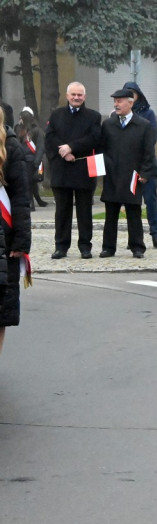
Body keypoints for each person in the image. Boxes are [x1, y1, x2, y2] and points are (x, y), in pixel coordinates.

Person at [44, 81, 102, 259]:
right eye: (73, 94)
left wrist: (71, 147)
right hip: (62, 170)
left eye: (80, 95)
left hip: (83, 169)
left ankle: (85, 246)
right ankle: (61, 246)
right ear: (67, 96)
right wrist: (63, 152)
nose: (76, 98)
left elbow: (94, 138)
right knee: (62, 211)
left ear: (84, 97)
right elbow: (50, 138)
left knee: (84, 211)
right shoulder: (56, 115)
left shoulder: (93, 116)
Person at [98, 88, 157, 258]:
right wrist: (105, 167)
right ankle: (108, 247)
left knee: (134, 213)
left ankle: (137, 246)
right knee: (111, 214)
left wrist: (145, 173)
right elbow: (102, 148)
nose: (116, 104)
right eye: (115, 101)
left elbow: (149, 152)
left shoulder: (143, 125)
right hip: (112, 176)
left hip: (133, 176)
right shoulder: (108, 124)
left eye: (120, 101)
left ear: (130, 103)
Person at [0, 108, 31, 357]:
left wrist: (21, 241)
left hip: (4, 239)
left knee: (0, 312)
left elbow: (21, 198)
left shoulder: (11, 148)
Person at [122, 82, 157, 250]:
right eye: (127, 94)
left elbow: (151, 139)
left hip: (147, 165)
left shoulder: (149, 113)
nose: (131, 96)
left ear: (139, 95)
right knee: (131, 204)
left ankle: (156, 235)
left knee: (150, 201)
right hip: (128, 166)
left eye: (133, 93)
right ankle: (134, 238)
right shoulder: (119, 114)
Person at [16, 110, 46, 209]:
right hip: (23, 160)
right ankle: (36, 200)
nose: (19, 120)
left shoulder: (37, 130)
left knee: (29, 182)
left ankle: (31, 203)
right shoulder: (20, 130)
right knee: (30, 182)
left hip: (32, 161)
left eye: (21, 118)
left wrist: (37, 162)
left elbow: (40, 147)